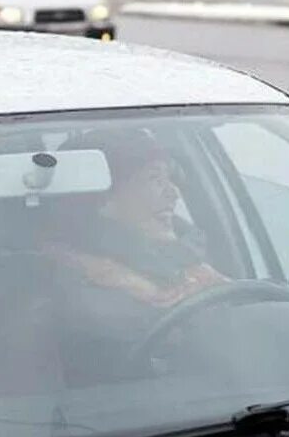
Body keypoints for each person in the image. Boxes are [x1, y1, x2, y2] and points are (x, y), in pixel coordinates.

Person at [46, 128, 227, 385]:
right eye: (154, 179)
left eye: (170, 178)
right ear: (102, 201)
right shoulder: (67, 287)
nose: (173, 193)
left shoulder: (188, 261)